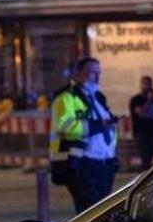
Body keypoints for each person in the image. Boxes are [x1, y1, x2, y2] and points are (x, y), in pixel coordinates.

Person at [48, 57, 119, 213]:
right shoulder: (65, 98)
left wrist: (113, 158)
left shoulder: (98, 98)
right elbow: (65, 127)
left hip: (104, 165)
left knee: (100, 214)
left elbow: (109, 130)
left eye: (99, 73)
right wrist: (99, 126)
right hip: (82, 164)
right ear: (78, 74)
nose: (97, 77)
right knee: (92, 214)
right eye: (92, 73)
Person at [129, 75, 153, 169]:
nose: (148, 86)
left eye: (149, 84)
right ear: (141, 85)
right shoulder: (136, 99)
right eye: (145, 83)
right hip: (141, 133)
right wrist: (149, 101)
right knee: (145, 158)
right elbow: (141, 113)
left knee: (150, 158)